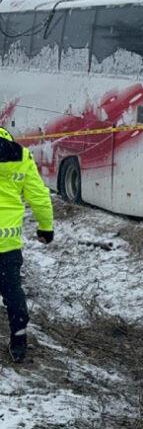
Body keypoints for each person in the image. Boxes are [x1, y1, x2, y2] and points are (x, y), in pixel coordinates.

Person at [0, 127, 54, 363]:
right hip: (7, 242)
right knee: (12, 291)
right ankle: (19, 339)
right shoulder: (21, 157)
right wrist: (45, 227)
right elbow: (39, 195)